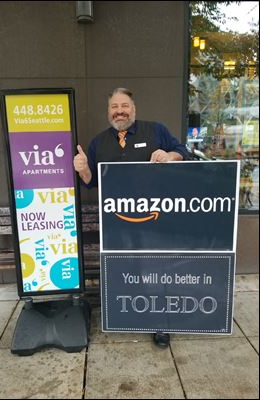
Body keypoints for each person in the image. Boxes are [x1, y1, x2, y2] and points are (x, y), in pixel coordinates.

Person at [74, 87, 189, 348]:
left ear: (133, 109)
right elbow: (91, 182)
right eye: (114, 107)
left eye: (124, 106)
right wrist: (82, 170)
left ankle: (160, 324)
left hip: (155, 219)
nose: (120, 111)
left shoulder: (156, 131)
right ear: (108, 112)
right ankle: (129, 314)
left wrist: (169, 156)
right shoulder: (98, 143)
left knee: (156, 271)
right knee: (128, 270)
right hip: (117, 223)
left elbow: (183, 151)